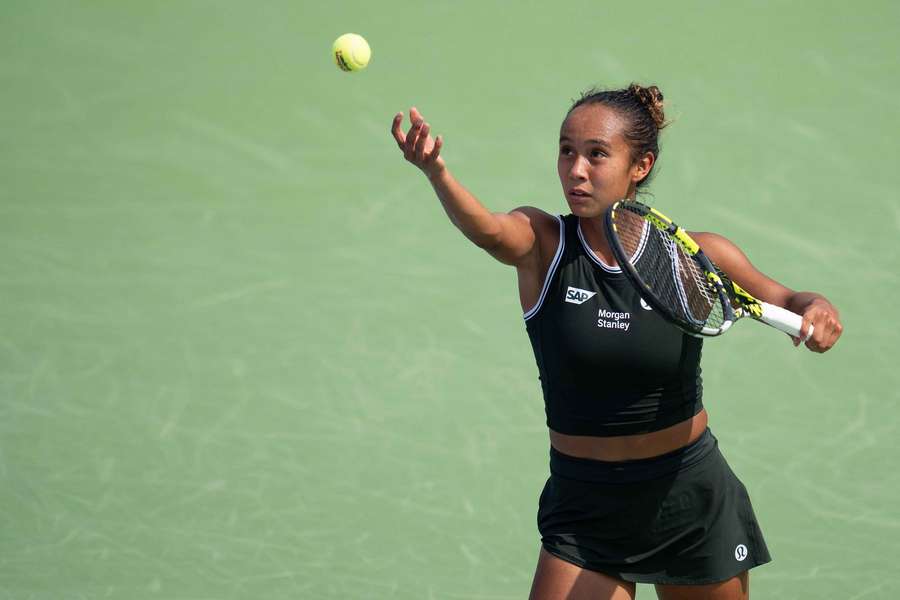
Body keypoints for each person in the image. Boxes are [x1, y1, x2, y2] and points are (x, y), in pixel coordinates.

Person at [389, 84, 843, 600]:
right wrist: (438, 174)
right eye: (566, 151)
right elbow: (490, 231)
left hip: (688, 497)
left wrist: (818, 309)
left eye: (596, 154)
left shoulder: (691, 259)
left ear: (640, 166)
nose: (576, 170)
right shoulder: (544, 242)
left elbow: (791, 298)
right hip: (586, 507)